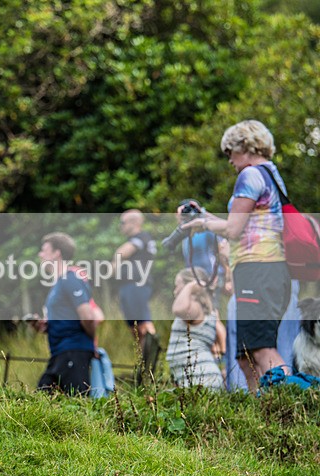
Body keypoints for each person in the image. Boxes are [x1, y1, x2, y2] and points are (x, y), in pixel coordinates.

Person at [182, 120, 292, 393]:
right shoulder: (270, 174)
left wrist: (203, 224)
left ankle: (289, 406)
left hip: (259, 268)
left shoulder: (250, 175)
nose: (229, 159)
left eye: (230, 151)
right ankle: (261, 413)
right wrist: (204, 216)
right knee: (245, 354)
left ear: (244, 146)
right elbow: (242, 223)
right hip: (266, 270)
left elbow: (232, 229)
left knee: (262, 348)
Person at [34, 232, 100, 396]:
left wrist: (90, 341)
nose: (40, 255)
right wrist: (46, 326)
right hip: (60, 353)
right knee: (43, 397)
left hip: (73, 351)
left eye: (44, 250)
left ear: (57, 253)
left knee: (78, 403)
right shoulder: (58, 284)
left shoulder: (70, 279)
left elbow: (88, 316)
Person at [113, 209, 160, 384]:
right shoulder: (141, 240)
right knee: (135, 328)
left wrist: (112, 268)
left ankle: (151, 365)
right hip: (130, 287)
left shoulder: (142, 238)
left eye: (122, 223)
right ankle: (143, 366)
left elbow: (121, 253)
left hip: (136, 286)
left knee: (143, 325)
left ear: (134, 223)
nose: (121, 227)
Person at [165, 268, 225, 391]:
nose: (175, 291)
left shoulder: (194, 308)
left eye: (178, 287)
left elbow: (178, 309)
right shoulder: (209, 311)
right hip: (201, 379)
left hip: (201, 382)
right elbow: (221, 333)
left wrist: (191, 286)